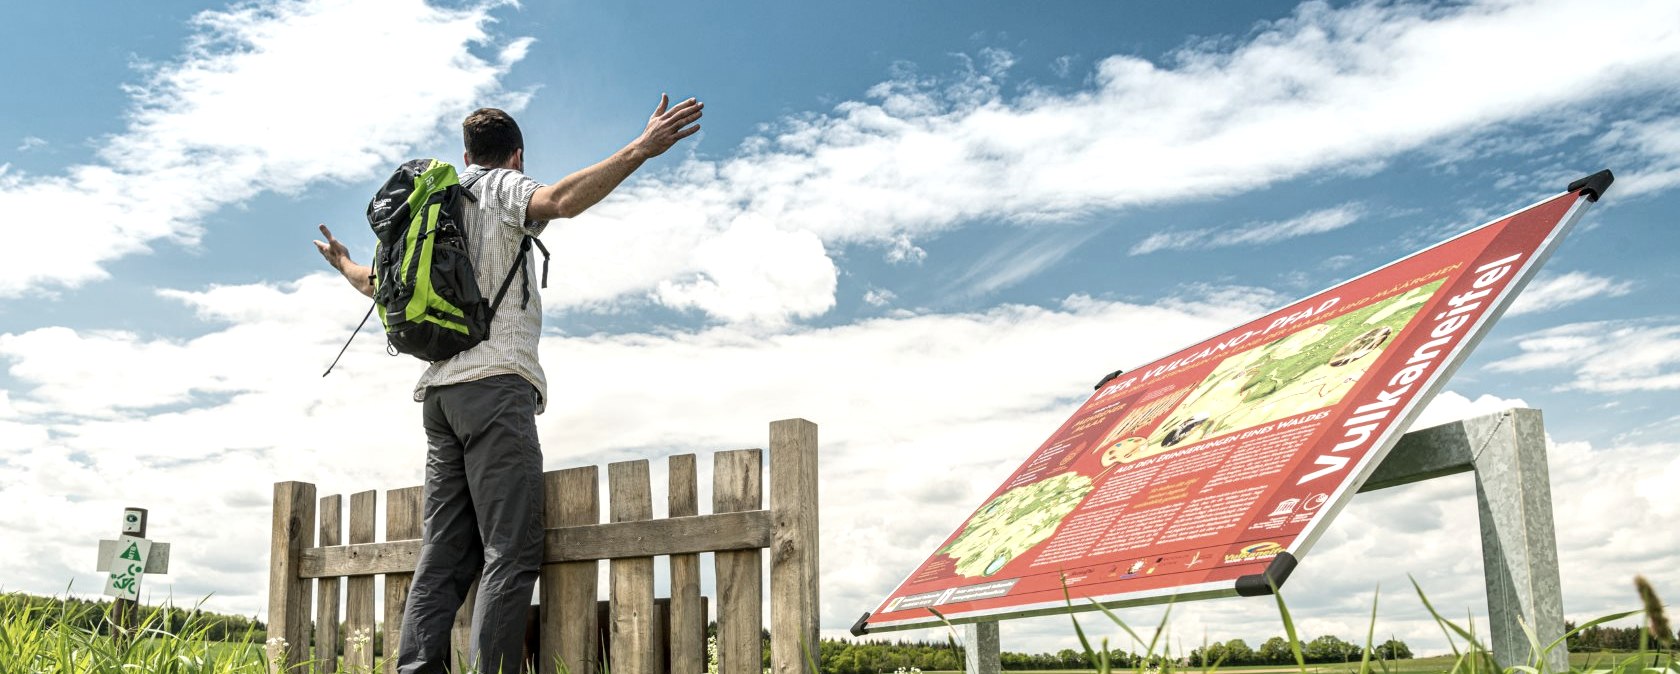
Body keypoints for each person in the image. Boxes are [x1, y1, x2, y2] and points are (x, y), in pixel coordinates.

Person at [313, 95, 703, 674]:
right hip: (496, 388)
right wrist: (642, 148)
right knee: (512, 551)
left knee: (444, 553)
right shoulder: (502, 189)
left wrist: (344, 264)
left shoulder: (432, 206)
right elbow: (563, 200)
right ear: (516, 156)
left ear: (465, 154)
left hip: (440, 396)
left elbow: (378, 284)